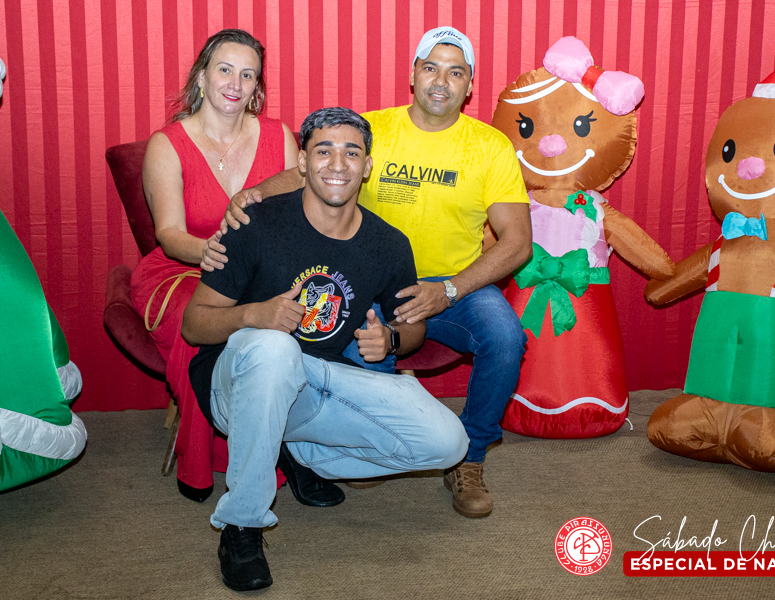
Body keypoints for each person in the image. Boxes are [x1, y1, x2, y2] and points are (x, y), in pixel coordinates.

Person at [215, 27, 532, 518]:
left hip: (455, 285)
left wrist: (449, 291)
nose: (441, 81)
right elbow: (313, 170)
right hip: (371, 282)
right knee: (366, 359)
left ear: (470, 85)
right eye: (431, 68)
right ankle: (344, 441)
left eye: (455, 72)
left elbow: (518, 243)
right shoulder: (373, 130)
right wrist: (249, 197)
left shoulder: (490, 146)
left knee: (507, 337)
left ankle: (469, 458)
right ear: (413, 75)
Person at [182, 107, 469, 592]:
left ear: (367, 166)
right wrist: (254, 315)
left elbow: (413, 328)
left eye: (351, 152)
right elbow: (194, 325)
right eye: (324, 151)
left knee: (448, 443)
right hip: (236, 383)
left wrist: (391, 340)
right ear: (302, 161)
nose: (338, 164)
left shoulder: (388, 244)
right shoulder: (256, 224)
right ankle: (242, 525)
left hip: (316, 381)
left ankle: (296, 451)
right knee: (275, 349)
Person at [129, 29, 299, 502]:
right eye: (225, 70)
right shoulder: (167, 144)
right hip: (181, 269)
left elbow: (293, 214)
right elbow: (168, 234)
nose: (235, 84)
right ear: (202, 76)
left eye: (248, 75)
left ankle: (288, 449)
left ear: (257, 87)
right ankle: (200, 463)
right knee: (200, 327)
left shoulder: (279, 137)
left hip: (255, 273)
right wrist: (208, 253)